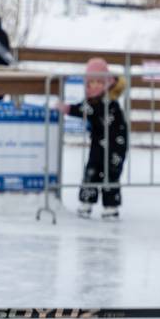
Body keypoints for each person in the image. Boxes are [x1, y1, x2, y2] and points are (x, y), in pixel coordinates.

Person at [63, 58, 128, 221]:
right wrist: (69, 108)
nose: (96, 86)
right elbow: (87, 108)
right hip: (98, 145)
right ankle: (86, 202)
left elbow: (89, 109)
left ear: (106, 82)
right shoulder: (94, 100)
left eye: (99, 82)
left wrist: (69, 108)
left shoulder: (109, 102)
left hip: (115, 146)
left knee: (110, 174)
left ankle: (111, 206)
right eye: (91, 82)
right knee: (91, 171)